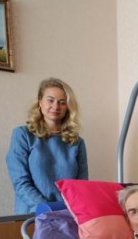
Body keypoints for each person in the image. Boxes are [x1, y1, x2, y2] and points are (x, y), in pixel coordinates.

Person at [6, 78, 88, 214]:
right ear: (40, 102)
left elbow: (81, 187)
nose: (56, 106)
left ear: (68, 107)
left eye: (62, 102)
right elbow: (21, 183)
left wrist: (68, 212)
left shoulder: (77, 142)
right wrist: (47, 209)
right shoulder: (22, 135)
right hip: (32, 215)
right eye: (50, 100)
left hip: (66, 216)